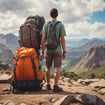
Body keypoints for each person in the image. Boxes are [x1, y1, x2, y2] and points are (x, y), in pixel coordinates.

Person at [41, 8, 66, 92]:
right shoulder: (61, 25)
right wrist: (64, 51)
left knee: (48, 68)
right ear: (57, 15)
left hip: (48, 50)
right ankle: (55, 86)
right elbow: (62, 39)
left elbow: (43, 38)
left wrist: (43, 51)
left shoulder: (46, 24)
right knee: (57, 68)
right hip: (57, 50)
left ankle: (48, 85)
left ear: (50, 15)